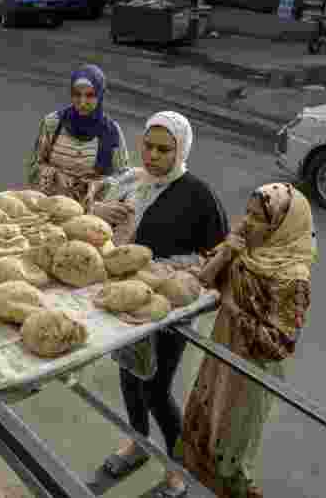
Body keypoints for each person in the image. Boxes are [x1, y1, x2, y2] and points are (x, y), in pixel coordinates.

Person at [91, 111, 229, 498]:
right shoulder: (130, 181)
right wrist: (98, 212)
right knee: (128, 377)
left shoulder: (198, 195)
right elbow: (91, 210)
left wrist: (170, 274)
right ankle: (137, 442)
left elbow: (218, 256)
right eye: (148, 146)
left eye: (164, 149)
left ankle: (177, 468)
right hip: (123, 298)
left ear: (181, 149)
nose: (152, 156)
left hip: (169, 308)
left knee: (155, 389)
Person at [180, 183, 316, 498]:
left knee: (234, 444)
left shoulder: (292, 277)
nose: (246, 222)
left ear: (282, 225)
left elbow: (280, 344)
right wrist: (228, 249)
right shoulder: (247, 248)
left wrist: (233, 311)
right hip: (223, 353)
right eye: (247, 213)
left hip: (252, 370)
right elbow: (203, 278)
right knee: (207, 431)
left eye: (257, 217)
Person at [26, 64, 128, 205]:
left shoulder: (111, 131)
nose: (82, 102)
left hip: (91, 212)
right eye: (76, 95)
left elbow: (123, 179)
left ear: (100, 95)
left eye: (90, 95)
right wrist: (55, 175)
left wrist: (96, 186)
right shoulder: (53, 124)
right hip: (50, 205)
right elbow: (33, 168)